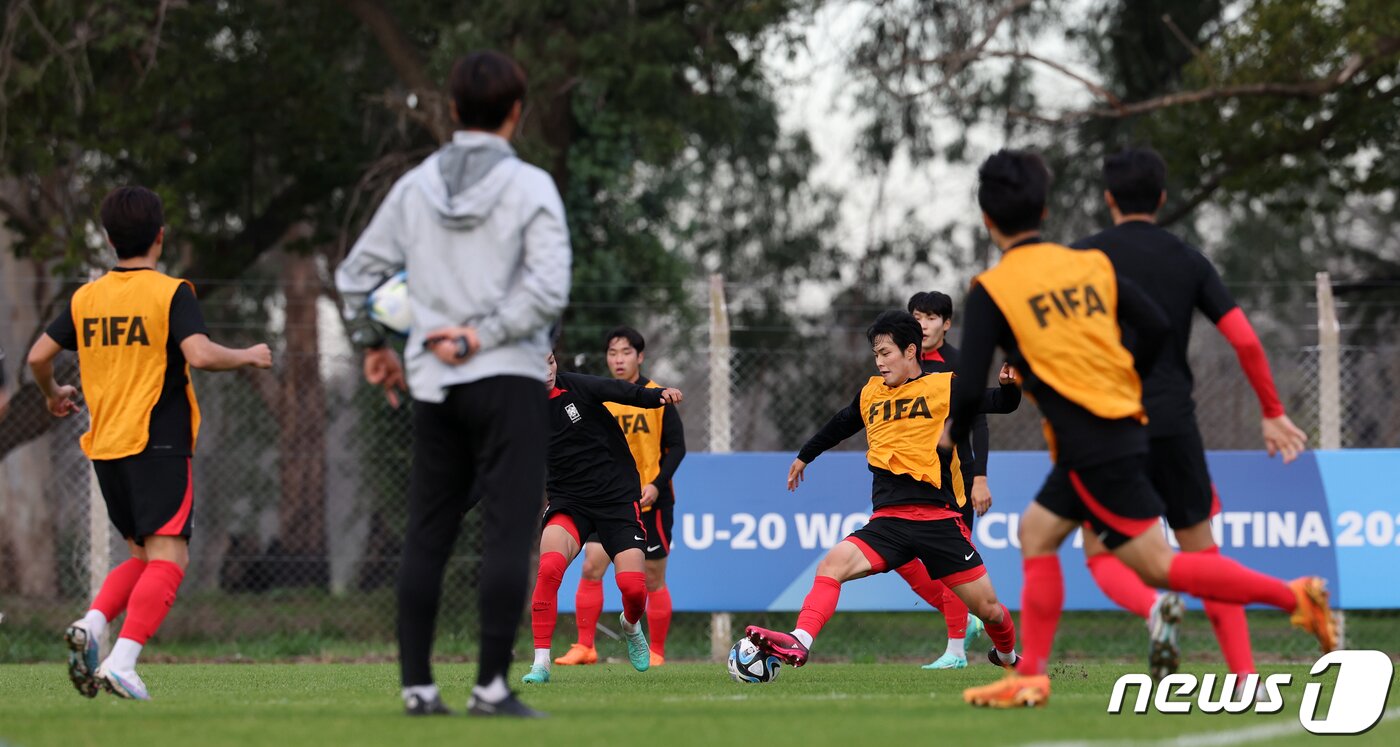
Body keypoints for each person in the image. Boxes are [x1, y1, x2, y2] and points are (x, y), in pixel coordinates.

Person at [950, 150, 1336, 709]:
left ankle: (1294, 596)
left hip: (1099, 433)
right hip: (1154, 421)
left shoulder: (1035, 272)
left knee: (1152, 565)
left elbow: (973, 381)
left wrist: (958, 427)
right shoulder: (1131, 263)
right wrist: (1267, 408)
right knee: (1042, 533)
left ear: (987, 217)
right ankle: (1036, 675)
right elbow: (1201, 333)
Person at [333, 50, 571, 718]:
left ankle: (417, 686)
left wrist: (373, 345)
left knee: (428, 531)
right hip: (509, 377)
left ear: (454, 110)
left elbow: (356, 276)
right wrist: (481, 335)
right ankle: (491, 686)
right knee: (505, 531)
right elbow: (550, 289)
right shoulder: (531, 187)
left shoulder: (414, 187)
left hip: (434, 383)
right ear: (516, 114)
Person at [1069, 146, 1309, 682]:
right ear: (1161, 198)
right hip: (1174, 421)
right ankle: (1246, 677)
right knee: (1204, 556)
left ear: (1108, 199)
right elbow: (1245, 340)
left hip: (1108, 426)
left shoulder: (1080, 260)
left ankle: (1155, 609)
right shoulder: (1189, 259)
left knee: (1098, 551)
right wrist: (1271, 411)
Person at [28, 186, 273, 701]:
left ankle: (93, 625)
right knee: (171, 558)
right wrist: (249, 354)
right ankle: (123, 660)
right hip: (158, 442)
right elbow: (201, 356)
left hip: (108, 447)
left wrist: (53, 394)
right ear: (160, 237)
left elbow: (37, 357)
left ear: (109, 239)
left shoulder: (85, 298)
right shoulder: (169, 292)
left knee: (143, 555)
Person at [744, 311, 1020, 670]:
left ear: (910, 351)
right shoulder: (871, 393)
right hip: (888, 522)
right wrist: (804, 456)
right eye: (876, 354)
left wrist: (1011, 386)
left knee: (990, 610)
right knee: (832, 565)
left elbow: (1000, 403)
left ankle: (1007, 656)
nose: (880, 361)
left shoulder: (943, 386)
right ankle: (800, 641)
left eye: (886, 352)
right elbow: (839, 424)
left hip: (938, 520)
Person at [522, 352, 683, 684]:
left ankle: (630, 625)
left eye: (550, 361)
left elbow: (622, 391)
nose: (547, 370)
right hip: (570, 503)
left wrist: (658, 395)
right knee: (550, 567)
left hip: (617, 502)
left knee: (634, 589)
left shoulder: (576, 387)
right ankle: (541, 663)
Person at [901, 291, 1020, 669]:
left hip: (955, 477)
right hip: (913, 478)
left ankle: (955, 652)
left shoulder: (958, 364)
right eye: (917, 315)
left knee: (951, 560)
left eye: (932, 317)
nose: (923, 323)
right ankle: (965, 616)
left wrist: (979, 478)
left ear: (946, 324)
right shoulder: (903, 362)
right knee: (903, 558)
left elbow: (979, 419)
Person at [556, 326, 686, 668]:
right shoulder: (600, 393)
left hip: (650, 502)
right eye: (612, 353)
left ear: (640, 357)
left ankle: (656, 650)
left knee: (652, 578)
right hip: (609, 498)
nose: (618, 360)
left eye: (626, 353)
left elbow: (677, 448)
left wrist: (657, 484)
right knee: (591, 566)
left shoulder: (657, 396)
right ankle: (585, 646)